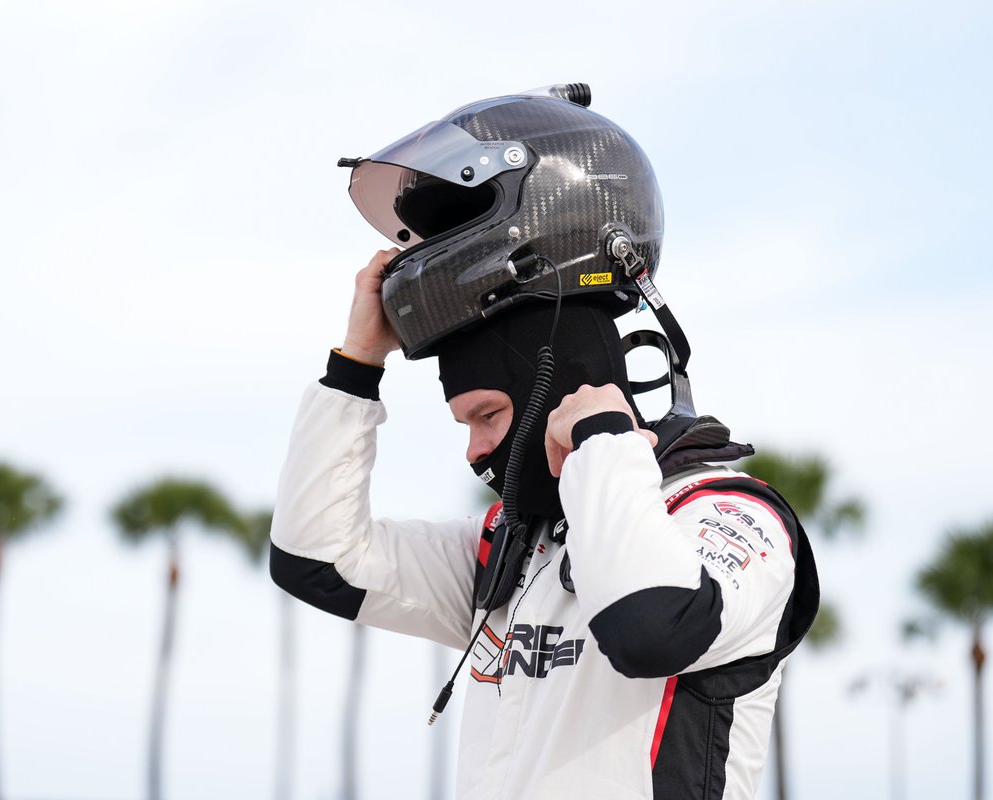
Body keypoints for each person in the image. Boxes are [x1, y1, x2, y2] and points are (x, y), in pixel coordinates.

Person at [270, 84, 818, 800]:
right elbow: (314, 560)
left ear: (564, 384)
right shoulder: (513, 548)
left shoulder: (730, 517)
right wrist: (355, 366)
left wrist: (601, 439)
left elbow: (651, 628)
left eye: (489, 417)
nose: (474, 453)